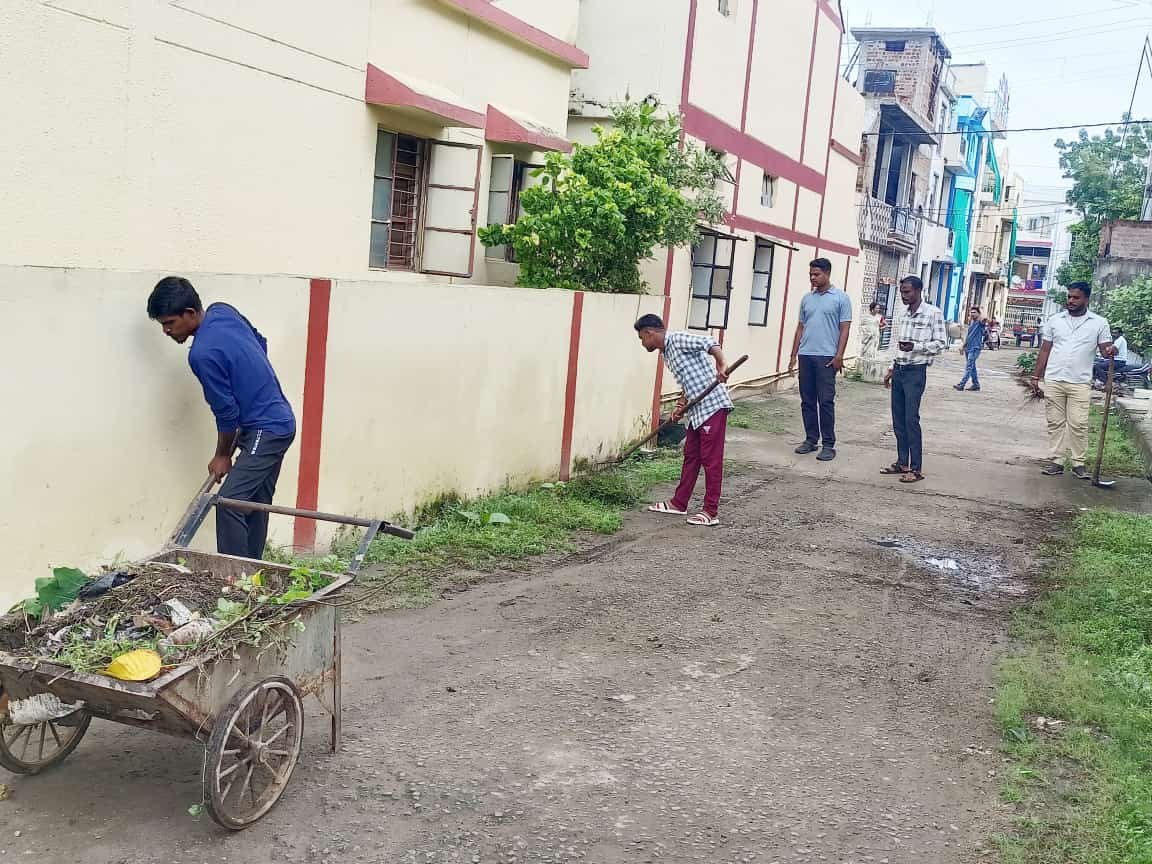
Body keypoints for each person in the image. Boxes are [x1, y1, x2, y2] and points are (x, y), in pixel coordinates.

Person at [147, 277, 297, 558]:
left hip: (266, 429)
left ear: (190, 313)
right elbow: (259, 343)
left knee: (229, 503)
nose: (166, 331)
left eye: (170, 323)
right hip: (279, 420)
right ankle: (252, 578)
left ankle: (233, 581)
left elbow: (226, 415)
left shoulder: (201, 355)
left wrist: (222, 455)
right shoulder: (223, 311)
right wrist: (252, 386)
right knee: (253, 503)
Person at [635, 315, 733, 527]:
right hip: (696, 411)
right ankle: (679, 503)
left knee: (711, 460)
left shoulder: (677, 339)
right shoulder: (666, 353)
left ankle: (710, 511)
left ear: (650, 333)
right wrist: (680, 407)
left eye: (642, 338)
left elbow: (709, 343)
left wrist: (722, 364)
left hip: (713, 406)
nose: (643, 344)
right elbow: (688, 382)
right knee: (691, 457)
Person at [1032, 283, 1115, 479]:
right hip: (1054, 379)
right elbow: (1045, 349)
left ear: (1086, 299)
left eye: (1075, 298)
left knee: (1078, 423)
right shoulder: (1055, 321)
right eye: (1069, 297)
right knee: (1055, 423)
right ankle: (1056, 461)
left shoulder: (1099, 323)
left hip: (1080, 382)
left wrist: (1111, 350)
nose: (1070, 301)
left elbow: (1105, 349)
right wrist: (1036, 376)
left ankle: (1079, 463)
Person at [882, 276, 947, 484]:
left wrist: (916, 347)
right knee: (898, 419)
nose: (904, 295)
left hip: (916, 372)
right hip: (900, 369)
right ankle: (902, 462)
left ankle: (916, 468)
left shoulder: (932, 313)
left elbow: (941, 343)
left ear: (919, 290)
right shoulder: (903, 314)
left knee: (911, 419)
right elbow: (899, 345)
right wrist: (892, 368)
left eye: (907, 292)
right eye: (902, 292)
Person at [787, 258, 853, 462]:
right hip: (806, 355)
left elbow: (845, 328)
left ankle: (828, 445)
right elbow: (800, 327)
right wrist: (793, 355)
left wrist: (839, 355)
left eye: (816, 274)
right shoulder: (807, 299)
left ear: (827, 273)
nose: (813, 278)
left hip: (827, 358)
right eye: (811, 275)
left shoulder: (841, 298)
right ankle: (810, 439)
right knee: (807, 401)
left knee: (825, 402)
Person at [954, 306, 988, 392]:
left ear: (978, 314)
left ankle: (962, 384)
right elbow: (968, 336)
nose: (972, 314)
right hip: (968, 348)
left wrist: (981, 310)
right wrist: (963, 346)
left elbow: (985, 318)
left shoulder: (980, 323)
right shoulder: (972, 323)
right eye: (971, 312)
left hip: (975, 348)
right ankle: (976, 384)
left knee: (969, 367)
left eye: (974, 312)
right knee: (972, 367)